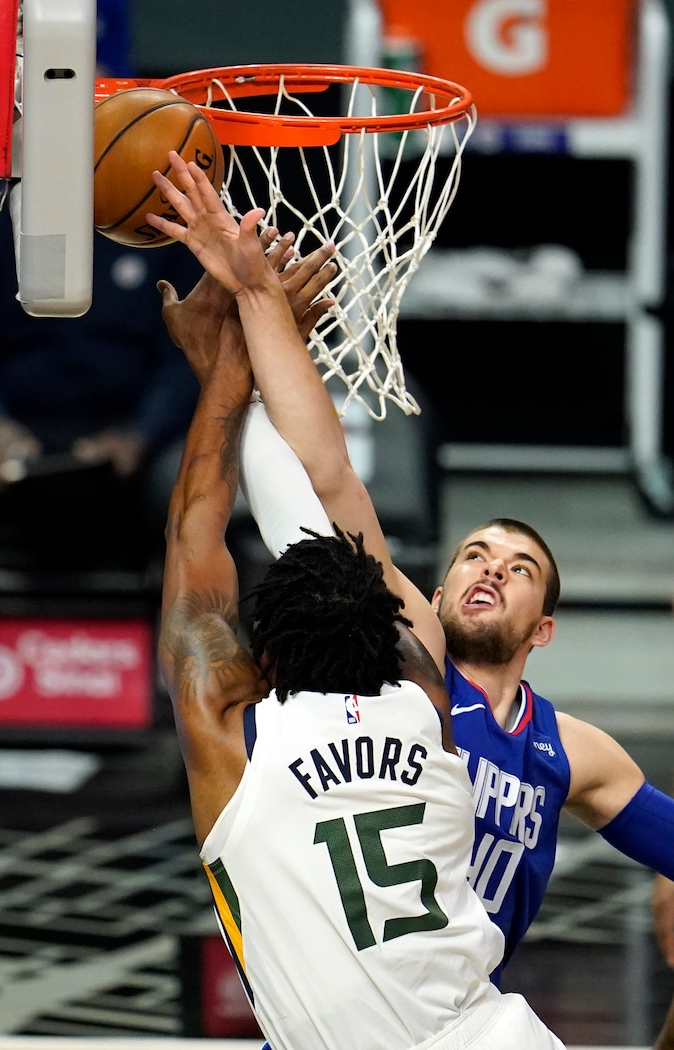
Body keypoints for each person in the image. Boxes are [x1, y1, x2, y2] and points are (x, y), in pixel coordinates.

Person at [155, 176, 674, 998]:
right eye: (474, 554)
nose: (492, 567)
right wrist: (252, 314)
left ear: (543, 628)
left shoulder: (575, 752)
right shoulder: (402, 675)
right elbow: (325, 476)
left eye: (520, 568)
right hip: (348, 1004)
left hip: (460, 1012)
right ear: (426, 598)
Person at [0, 183, 202, 571]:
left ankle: (183, 609)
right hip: (13, 428)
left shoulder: (164, 231)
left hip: (128, 432)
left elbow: (186, 357)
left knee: (193, 489)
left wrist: (139, 434)